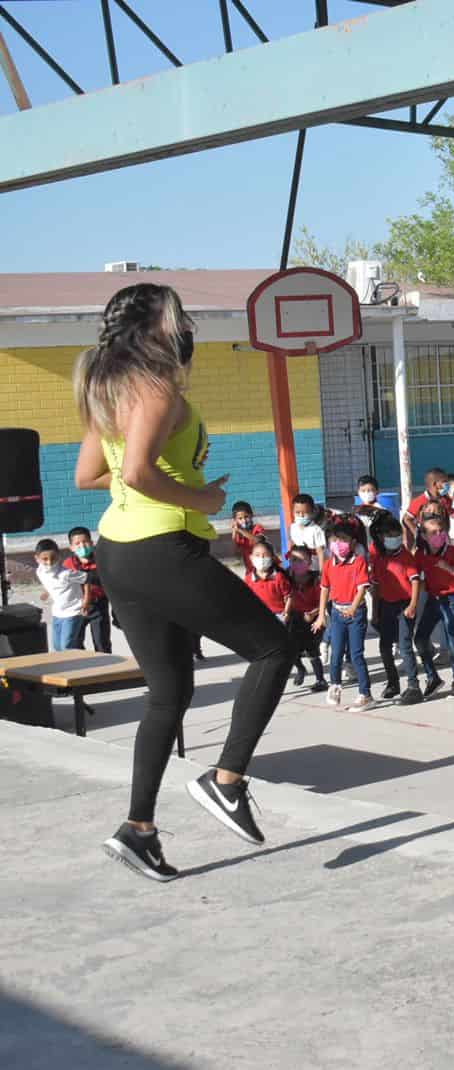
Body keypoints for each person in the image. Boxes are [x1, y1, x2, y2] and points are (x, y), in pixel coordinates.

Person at [75, 282, 294, 879]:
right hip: (160, 547)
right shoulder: (151, 385)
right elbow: (141, 471)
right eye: (180, 317)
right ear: (159, 325)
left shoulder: (107, 384)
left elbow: (90, 473)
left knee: (169, 695)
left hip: (118, 550)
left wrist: (151, 482)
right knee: (275, 648)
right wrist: (203, 495)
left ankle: (138, 830)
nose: (187, 326)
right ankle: (226, 781)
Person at [316, 518, 373, 711]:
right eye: (335, 539)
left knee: (356, 654)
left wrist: (353, 608)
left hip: (355, 613)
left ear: (353, 543)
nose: (338, 544)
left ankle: (365, 694)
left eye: (343, 539)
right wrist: (321, 615)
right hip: (337, 612)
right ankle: (335, 686)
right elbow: (324, 589)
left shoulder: (358, 562)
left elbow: (362, 589)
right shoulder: (329, 565)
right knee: (336, 653)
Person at [369, 514, 425, 706]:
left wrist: (412, 605)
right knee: (384, 646)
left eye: (396, 534)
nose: (393, 538)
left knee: (405, 645)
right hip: (386, 606)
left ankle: (413, 686)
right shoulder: (378, 558)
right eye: (389, 534)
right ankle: (393, 682)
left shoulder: (405, 557)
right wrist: (375, 611)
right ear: (381, 538)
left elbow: (415, 581)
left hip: (404, 606)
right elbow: (375, 587)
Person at [414, 513, 454, 698]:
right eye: (433, 532)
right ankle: (432, 676)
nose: (438, 535)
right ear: (424, 536)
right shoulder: (420, 554)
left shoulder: (452, 552)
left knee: (452, 638)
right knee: (420, 638)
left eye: (441, 531)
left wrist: (449, 568)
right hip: (433, 599)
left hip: (451, 598)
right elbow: (417, 578)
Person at [283, 546, 326, 692]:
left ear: (309, 562)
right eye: (294, 559)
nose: (297, 563)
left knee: (312, 650)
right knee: (290, 649)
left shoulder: (316, 579)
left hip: (312, 618)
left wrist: (314, 613)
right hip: (293, 618)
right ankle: (300, 669)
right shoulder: (285, 577)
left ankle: (321, 680)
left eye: (302, 560)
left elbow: (325, 600)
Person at [65, 527, 113, 654]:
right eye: (77, 544)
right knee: (75, 642)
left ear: (92, 543)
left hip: (98, 605)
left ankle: (106, 669)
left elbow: (110, 582)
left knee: (101, 642)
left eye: (85, 542)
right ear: (71, 547)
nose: (82, 546)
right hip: (77, 607)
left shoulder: (101, 561)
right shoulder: (68, 565)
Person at [36, 538, 88, 651]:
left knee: (67, 646)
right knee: (57, 647)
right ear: (37, 558)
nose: (49, 562)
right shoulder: (40, 571)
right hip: (57, 613)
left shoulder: (66, 573)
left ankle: (73, 667)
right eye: (45, 559)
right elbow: (49, 582)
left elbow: (87, 579)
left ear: (59, 556)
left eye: (53, 558)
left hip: (73, 612)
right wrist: (46, 592)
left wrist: (86, 601)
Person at [228, 501, 264, 568]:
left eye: (246, 517)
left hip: (264, 567)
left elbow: (258, 540)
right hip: (250, 570)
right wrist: (234, 533)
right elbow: (237, 555)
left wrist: (241, 530)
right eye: (240, 518)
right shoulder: (238, 535)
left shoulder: (258, 528)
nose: (244, 520)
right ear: (235, 520)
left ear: (251, 515)